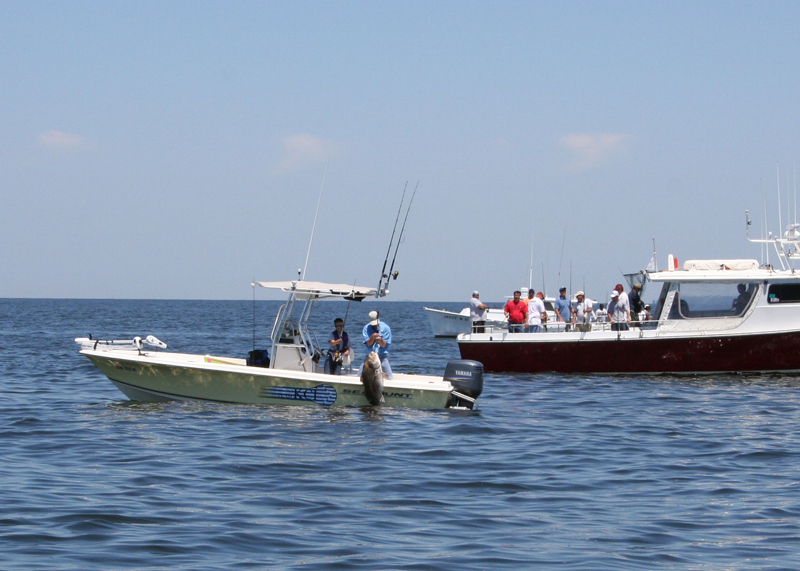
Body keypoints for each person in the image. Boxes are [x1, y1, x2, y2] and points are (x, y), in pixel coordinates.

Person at [361, 310, 393, 379]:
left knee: (389, 378)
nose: (375, 326)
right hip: (370, 358)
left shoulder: (386, 328)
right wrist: (372, 337)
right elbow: (368, 344)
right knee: (360, 376)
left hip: (382, 356)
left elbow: (384, 345)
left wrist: (380, 340)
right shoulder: (366, 328)